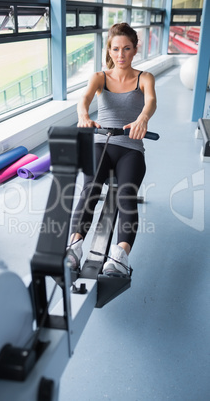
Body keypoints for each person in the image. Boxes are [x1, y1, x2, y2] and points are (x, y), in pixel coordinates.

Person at [67, 22, 157, 276]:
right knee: (90, 188)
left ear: (135, 49)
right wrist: (84, 116)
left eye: (126, 49)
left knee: (127, 195)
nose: (121, 55)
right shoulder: (99, 77)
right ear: (109, 49)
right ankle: (74, 247)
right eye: (116, 49)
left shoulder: (144, 78)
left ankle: (120, 255)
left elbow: (150, 101)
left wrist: (142, 119)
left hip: (130, 148)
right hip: (101, 143)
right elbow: (83, 100)